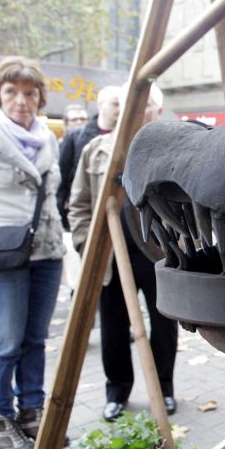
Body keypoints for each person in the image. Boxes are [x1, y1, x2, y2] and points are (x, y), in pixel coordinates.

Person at [68, 82, 178, 422]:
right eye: (133, 103)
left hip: (158, 254)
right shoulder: (96, 150)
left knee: (165, 325)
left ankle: (164, 388)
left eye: (146, 105)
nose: (138, 110)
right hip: (110, 256)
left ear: (157, 111)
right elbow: (78, 205)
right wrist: (87, 245)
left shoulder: (171, 150)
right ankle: (116, 393)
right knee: (113, 328)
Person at [0, 57, 66, 449]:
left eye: (29, 92)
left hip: (46, 251)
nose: (21, 101)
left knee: (36, 338)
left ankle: (31, 411)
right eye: (11, 92)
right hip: (5, 251)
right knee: (6, 341)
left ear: (40, 98)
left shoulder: (48, 137)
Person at [56, 86, 121, 230]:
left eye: (122, 104)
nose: (120, 108)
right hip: (83, 215)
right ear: (100, 105)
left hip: (116, 216)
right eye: (115, 104)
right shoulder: (76, 136)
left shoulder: (126, 136)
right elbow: (62, 175)